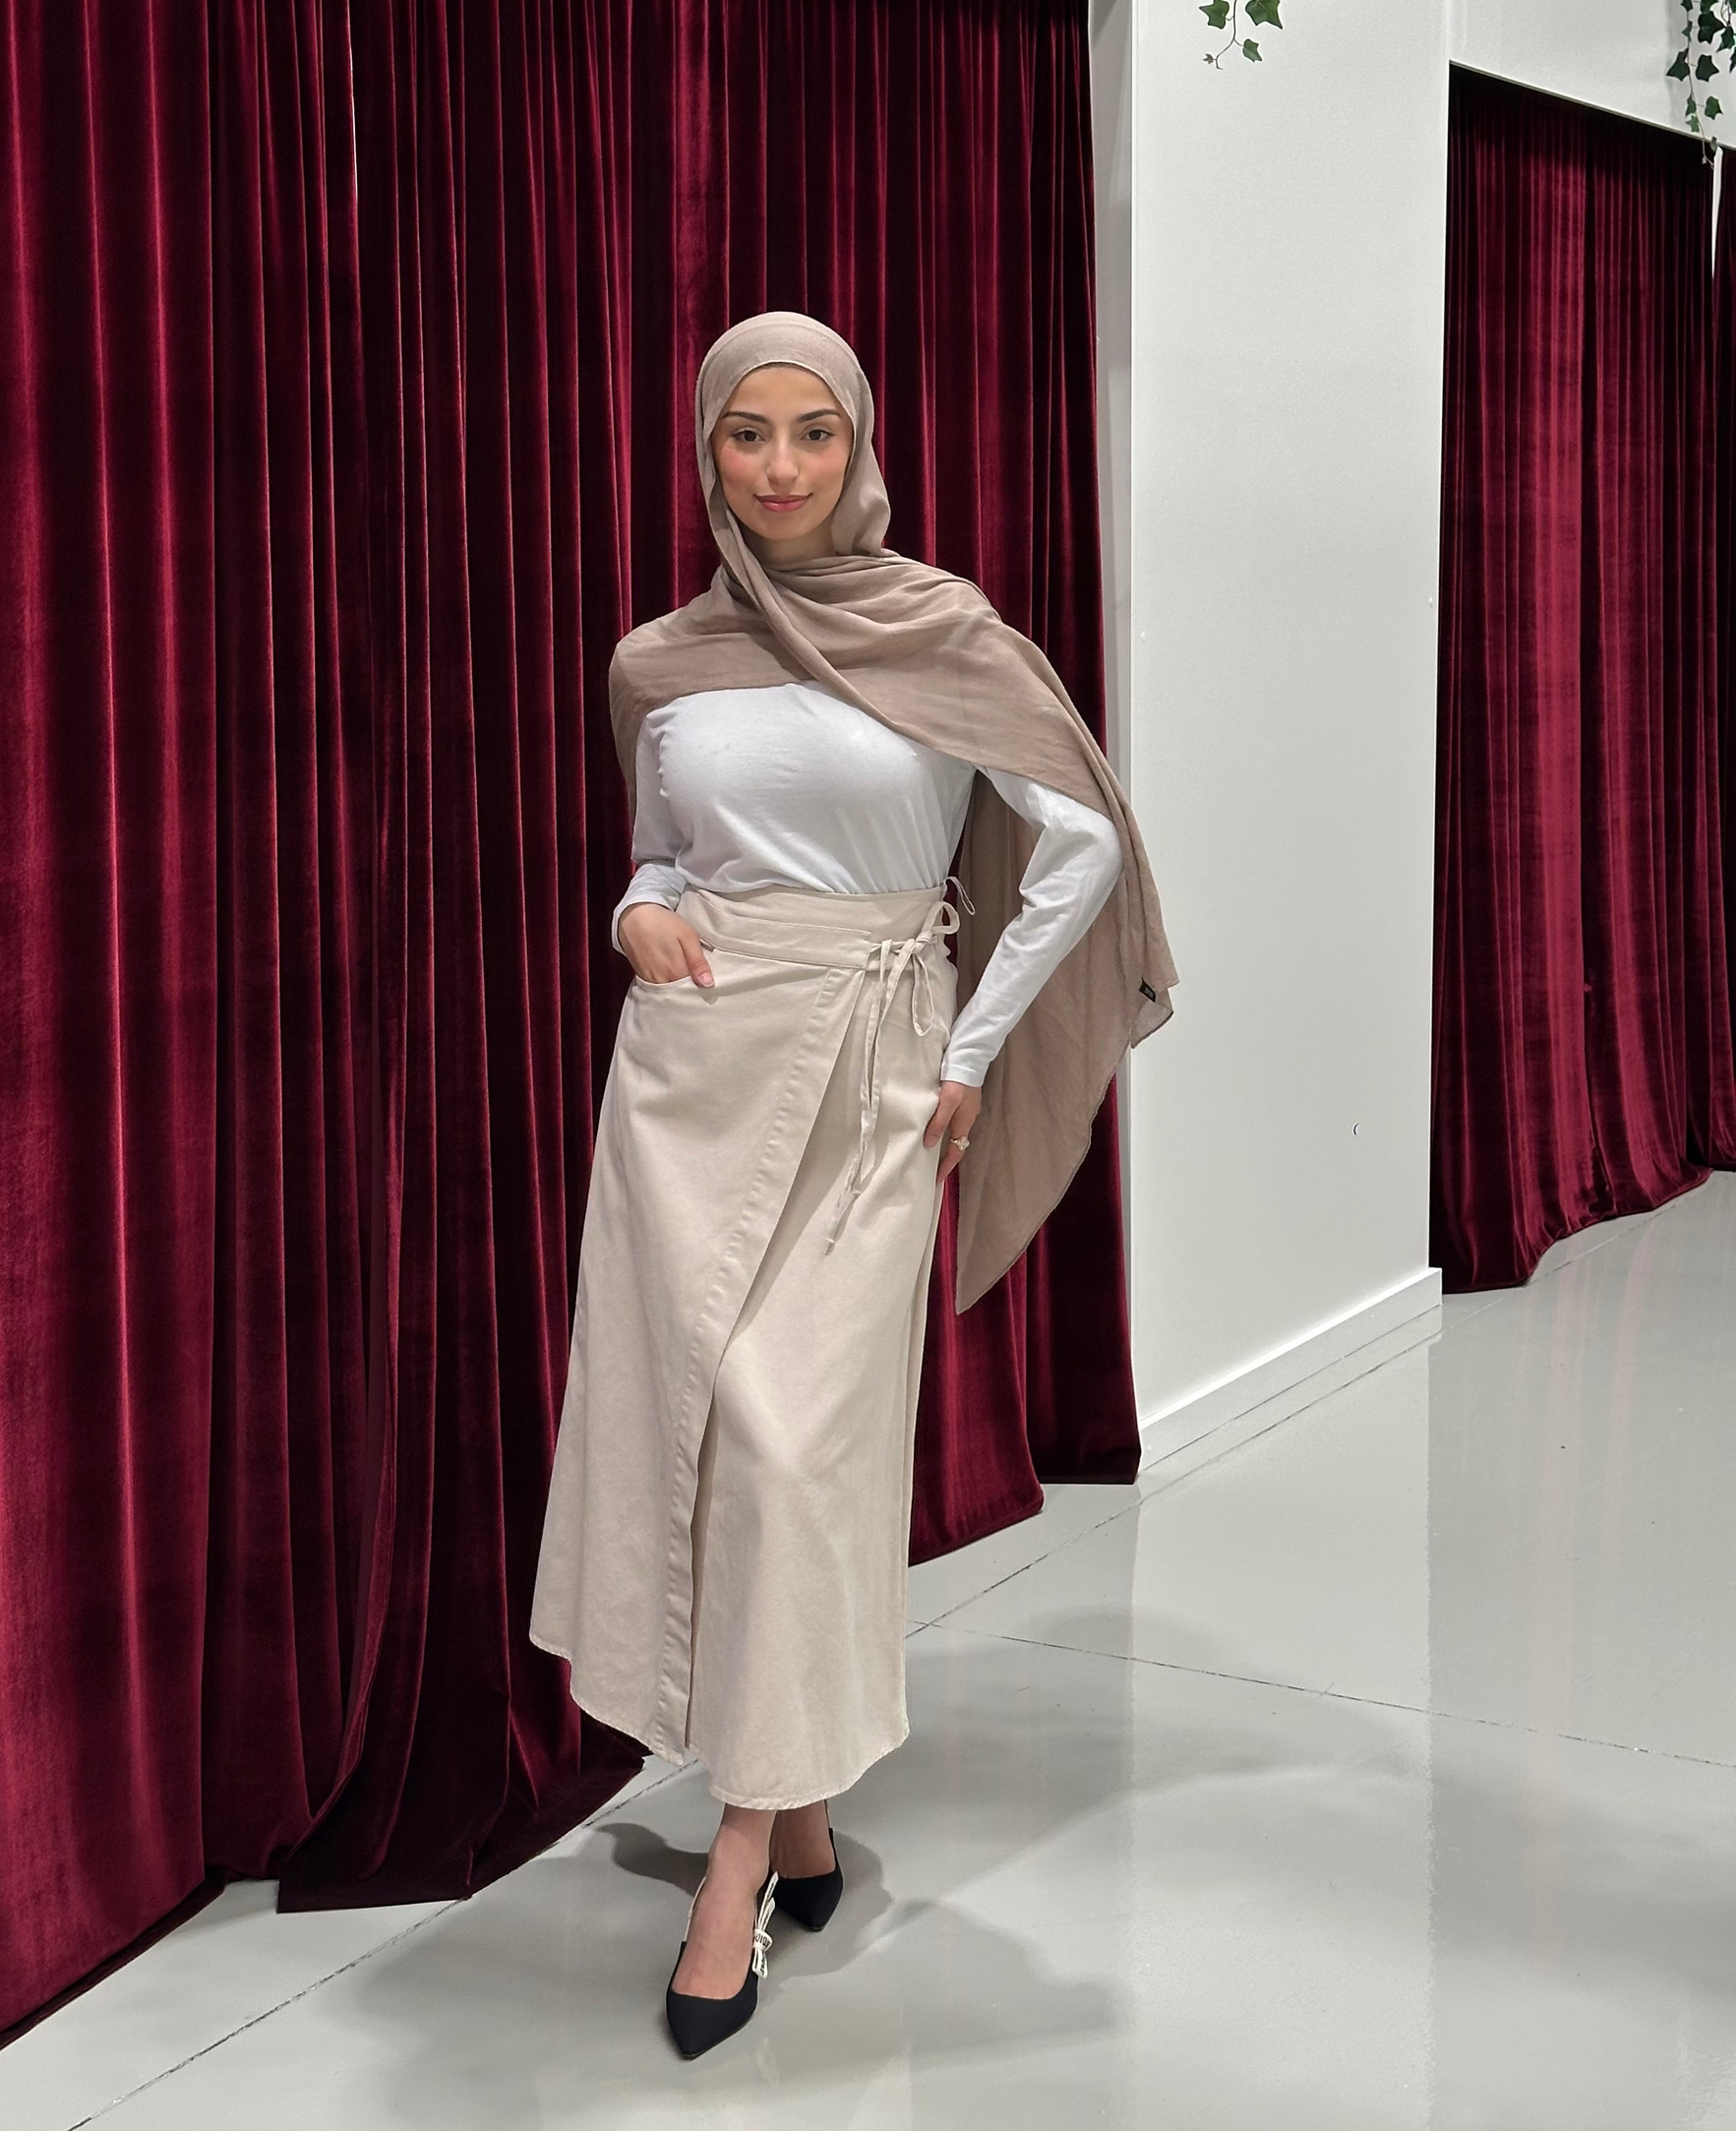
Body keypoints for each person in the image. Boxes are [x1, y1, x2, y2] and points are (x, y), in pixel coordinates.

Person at [530, 311, 1174, 2058]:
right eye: (747, 434)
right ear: (707, 451)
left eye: (814, 431)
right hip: (692, 1074)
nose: (782, 466)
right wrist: (633, 912)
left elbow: (1083, 841)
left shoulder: (941, 627)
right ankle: (795, 1811)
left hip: (879, 1072)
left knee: (791, 1451)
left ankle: (737, 1858)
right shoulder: (661, 657)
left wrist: (970, 1047)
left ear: (861, 443)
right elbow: (662, 852)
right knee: (699, 1437)